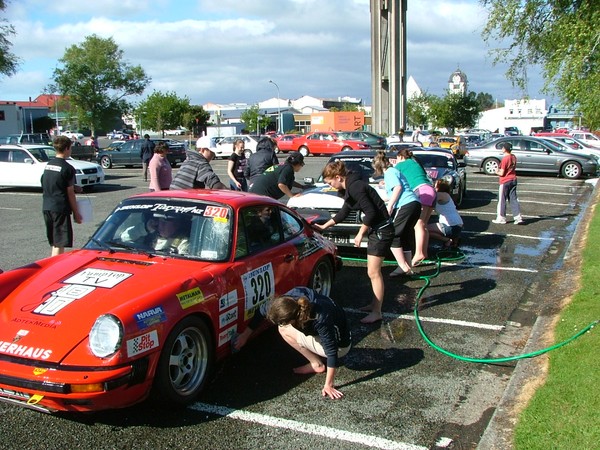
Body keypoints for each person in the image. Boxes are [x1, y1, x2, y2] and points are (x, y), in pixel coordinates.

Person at [233, 286, 351, 400]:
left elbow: (332, 351)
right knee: (284, 328)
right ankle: (317, 361)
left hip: (341, 346)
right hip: (327, 330)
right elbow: (261, 311)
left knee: (283, 330)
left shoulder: (319, 318)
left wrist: (328, 385)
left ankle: (317, 364)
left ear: (292, 319)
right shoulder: (290, 299)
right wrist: (244, 336)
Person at [314, 160, 394, 324]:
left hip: (382, 230)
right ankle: (374, 304)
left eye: (330, 183)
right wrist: (323, 226)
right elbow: (343, 213)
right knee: (372, 272)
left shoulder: (355, 186)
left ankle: (377, 312)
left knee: (374, 272)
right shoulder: (351, 186)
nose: (331, 186)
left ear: (338, 177)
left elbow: (371, 212)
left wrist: (359, 234)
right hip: (377, 230)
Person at [372, 151, 421, 277]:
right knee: (404, 236)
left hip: (406, 205)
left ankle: (403, 266)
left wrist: (390, 205)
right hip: (414, 203)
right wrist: (385, 200)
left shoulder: (389, 172)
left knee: (393, 235)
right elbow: (400, 190)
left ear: (378, 166)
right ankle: (406, 266)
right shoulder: (393, 172)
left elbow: (398, 188)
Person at [41, 136, 83, 256]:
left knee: (55, 241)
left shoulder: (48, 165)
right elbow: (70, 193)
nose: (71, 150)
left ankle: (53, 264)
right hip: (60, 208)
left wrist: (74, 187)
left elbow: (49, 181)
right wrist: (76, 213)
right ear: (66, 148)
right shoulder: (68, 168)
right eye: (70, 148)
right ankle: (55, 269)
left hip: (47, 206)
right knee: (60, 243)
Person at [394, 148, 436, 266]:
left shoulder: (401, 164)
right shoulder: (414, 162)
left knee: (418, 224)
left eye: (397, 159)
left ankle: (418, 253)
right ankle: (424, 252)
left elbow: (393, 178)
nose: (396, 161)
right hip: (430, 190)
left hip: (421, 191)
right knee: (423, 224)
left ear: (401, 157)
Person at [493, 142, 524, 225]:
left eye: (502, 147)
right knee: (513, 199)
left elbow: (502, 173)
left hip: (505, 181)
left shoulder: (505, 159)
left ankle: (501, 218)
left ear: (504, 149)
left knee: (502, 200)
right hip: (513, 179)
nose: (501, 149)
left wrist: (496, 171)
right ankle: (518, 217)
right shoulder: (513, 157)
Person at [427, 179, 463, 247]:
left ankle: (446, 240)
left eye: (435, 185)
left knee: (423, 229)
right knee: (425, 229)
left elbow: (429, 199)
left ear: (439, 187)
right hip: (457, 224)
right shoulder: (446, 195)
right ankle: (454, 238)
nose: (434, 187)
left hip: (450, 225)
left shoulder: (441, 195)